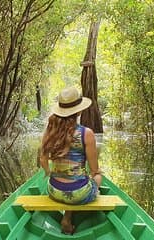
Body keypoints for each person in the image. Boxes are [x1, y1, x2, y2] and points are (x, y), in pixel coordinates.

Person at [39, 86, 102, 235]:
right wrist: (95, 176)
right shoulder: (86, 133)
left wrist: (49, 172)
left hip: (54, 191)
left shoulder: (50, 131)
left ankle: (67, 215)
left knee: (68, 185)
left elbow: (43, 160)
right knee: (98, 176)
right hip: (79, 193)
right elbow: (94, 170)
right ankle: (73, 210)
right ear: (79, 110)